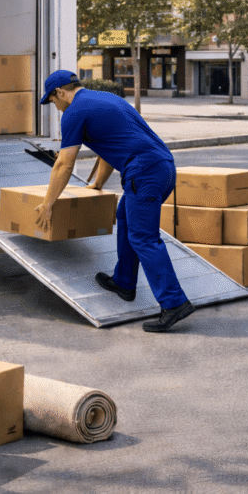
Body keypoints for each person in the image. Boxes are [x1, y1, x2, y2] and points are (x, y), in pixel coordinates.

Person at [36, 70, 194, 333]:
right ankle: (124, 281)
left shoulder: (74, 112)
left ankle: (174, 302)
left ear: (60, 92)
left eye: (52, 101)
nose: (55, 106)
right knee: (125, 217)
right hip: (163, 168)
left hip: (144, 173)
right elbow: (110, 148)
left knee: (144, 238)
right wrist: (98, 183)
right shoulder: (107, 99)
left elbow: (64, 163)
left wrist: (49, 203)